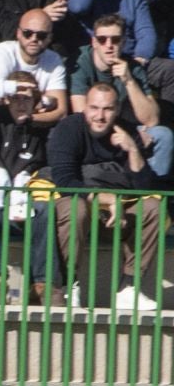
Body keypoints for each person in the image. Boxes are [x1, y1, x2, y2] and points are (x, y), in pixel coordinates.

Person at [46, 81, 164, 311]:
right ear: (85, 107)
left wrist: (132, 150)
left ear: (117, 110)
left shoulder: (125, 131)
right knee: (75, 207)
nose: (100, 116)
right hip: (80, 205)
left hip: (115, 215)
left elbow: (144, 186)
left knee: (153, 208)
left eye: (108, 109)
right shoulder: (69, 127)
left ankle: (128, 287)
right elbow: (65, 181)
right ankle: (69, 284)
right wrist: (109, 199)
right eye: (94, 108)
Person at [70, 13, 172, 179]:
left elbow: (151, 120)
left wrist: (129, 81)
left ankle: (154, 193)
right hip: (91, 132)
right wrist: (133, 137)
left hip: (119, 128)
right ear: (94, 42)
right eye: (102, 40)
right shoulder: (82, 63)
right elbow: (83, 116)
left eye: (115, 40)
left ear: (123, 42)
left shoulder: (132, 68)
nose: (109, 45)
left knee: (163, 135)